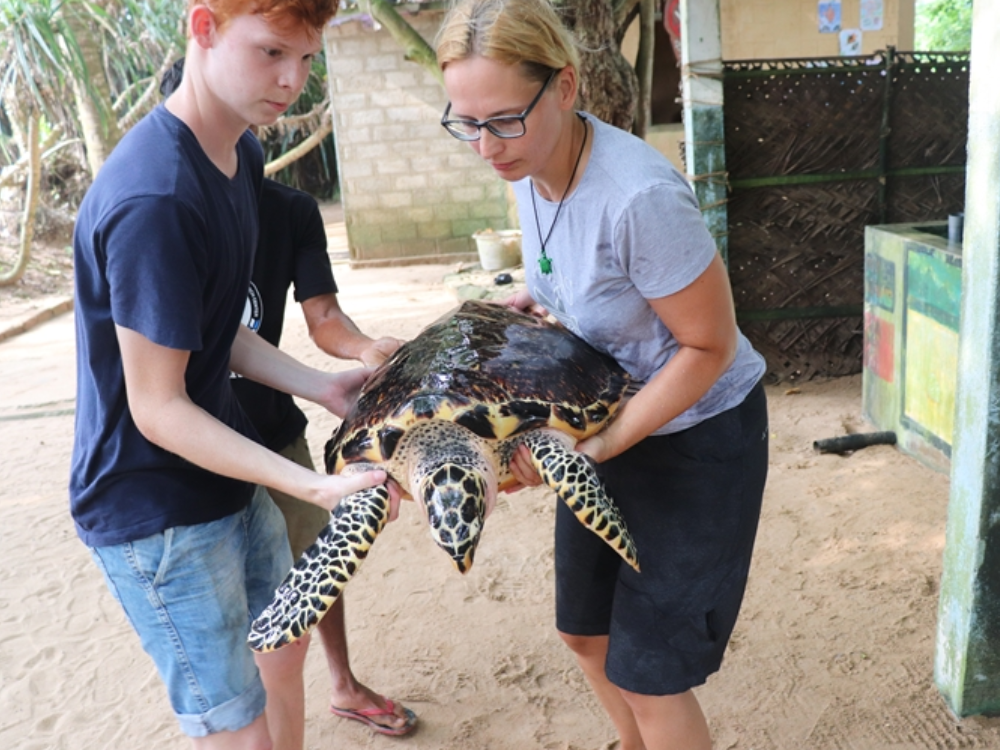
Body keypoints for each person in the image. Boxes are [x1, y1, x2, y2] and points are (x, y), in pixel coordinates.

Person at [435, 1, 769, 748]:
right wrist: (534, 296)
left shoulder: (639, 198)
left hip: (693, 433)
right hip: (604, 414)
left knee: (652, 673)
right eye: (466, 122)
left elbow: (707, 348)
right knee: (585, 635)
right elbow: (571, 270)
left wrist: (603, 448)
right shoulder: (525, 161)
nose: (486, 147)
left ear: (565, 86)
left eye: (502, 120)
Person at [70, 2, 403, 748]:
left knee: (283, 661)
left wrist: (320, 384)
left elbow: (218, 334)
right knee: (238, 730)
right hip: (154, 505)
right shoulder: (156, 198)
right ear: (204, 26)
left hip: (226, 477)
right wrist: (316, 487)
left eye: (308, 60)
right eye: (272, 52)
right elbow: (158, 406)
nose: (292, 82)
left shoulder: (239, 153)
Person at [160, 58, 416, 737]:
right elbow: (159, 387)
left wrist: (359, 356)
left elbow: (312, 319)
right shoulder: (169, 207)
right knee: (230, 642)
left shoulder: (281, 210)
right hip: (194, 450)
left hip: (269, 425)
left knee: (309, 573)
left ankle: (340, 682)